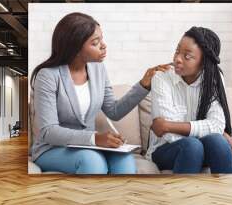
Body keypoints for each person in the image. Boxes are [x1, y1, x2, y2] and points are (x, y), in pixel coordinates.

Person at [30, 12, 169, 174]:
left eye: (101, 39)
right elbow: (48, 131)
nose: (103, 45)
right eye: (95, 43)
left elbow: (114, 111)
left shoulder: (98, 69)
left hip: (88, 146)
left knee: (124, 159)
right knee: (93, 161)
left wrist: (144, 84)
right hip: (52, 148)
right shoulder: (48, 76)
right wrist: (94, 138)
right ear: (75, 47)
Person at [147, 26, 232, 174]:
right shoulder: (161, 77)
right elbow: (167, 134)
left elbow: (217, 124)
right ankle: (183, 197)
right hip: (165, 150)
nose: (177, 59)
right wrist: (208, 129)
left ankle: (226, 195)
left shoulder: (213, 78)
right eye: (177, 51)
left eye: (187, 56)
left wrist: (170, 125)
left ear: (203, 63)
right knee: (192, 146)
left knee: (218, 143)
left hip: (198, 146)